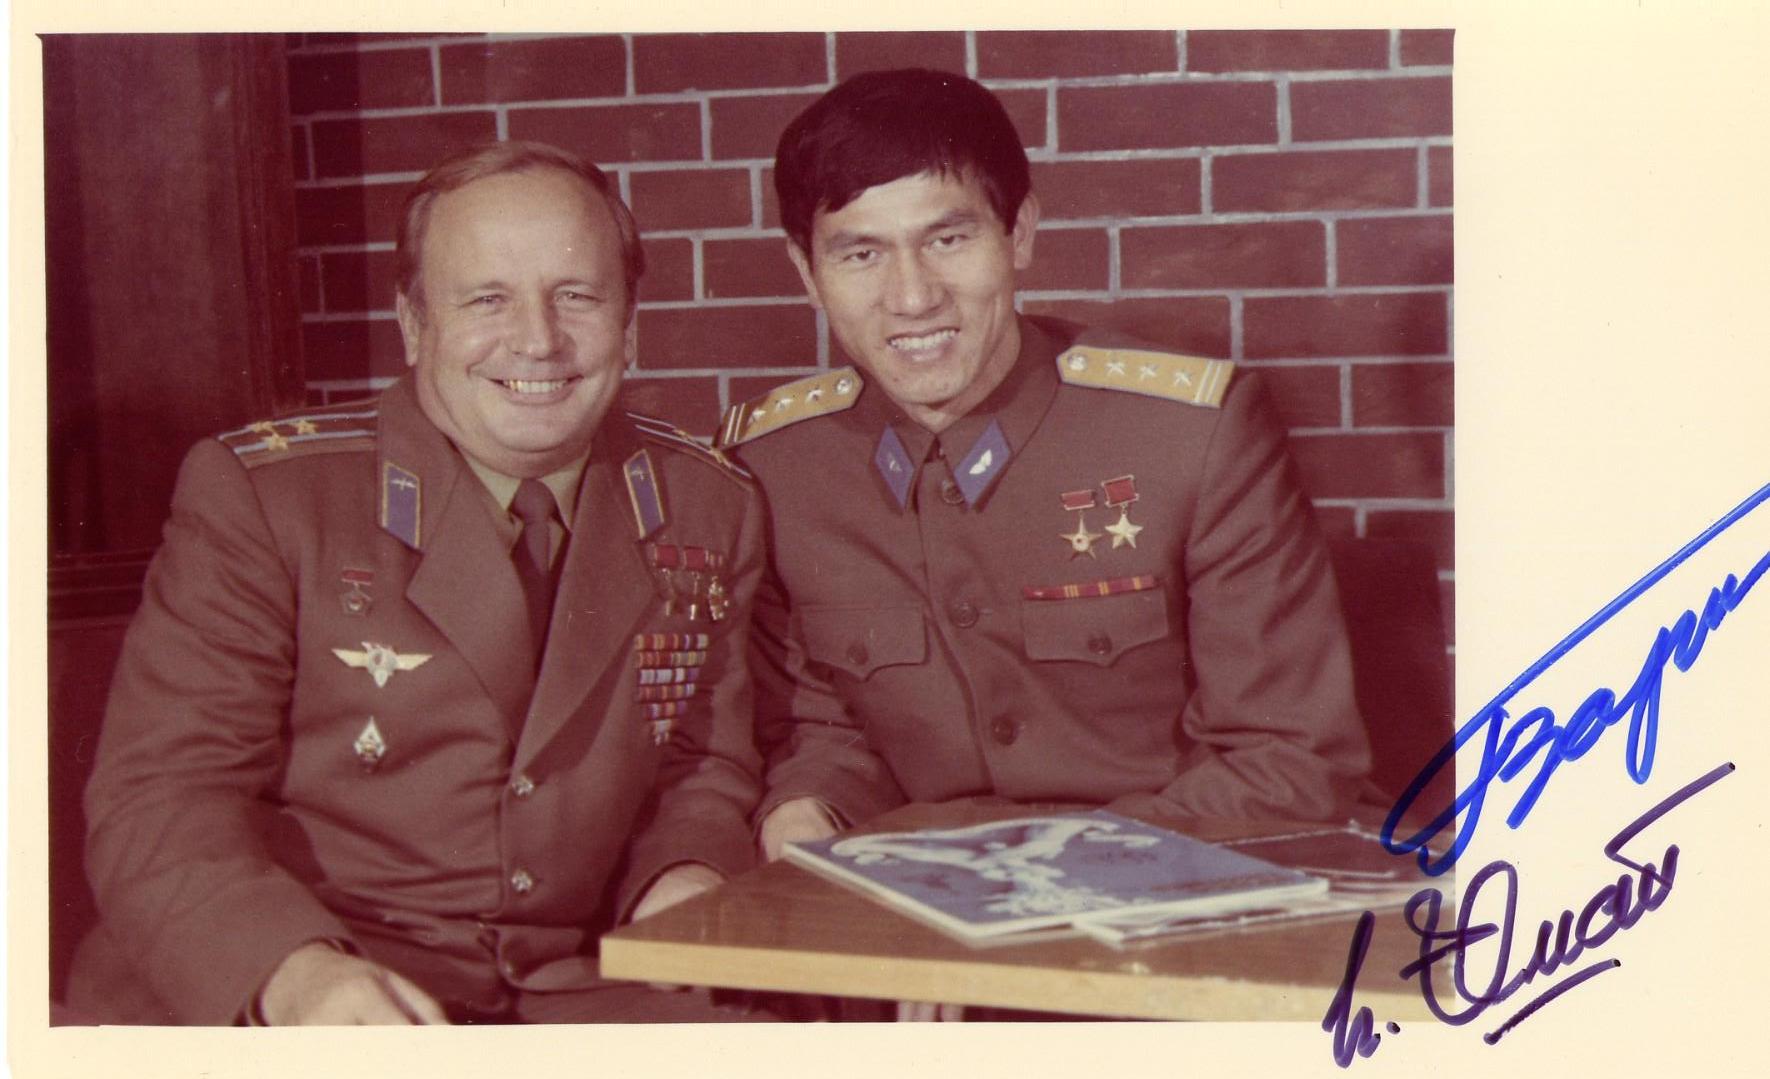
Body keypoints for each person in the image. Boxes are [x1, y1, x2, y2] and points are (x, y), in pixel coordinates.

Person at [70, 141, 767, 1025]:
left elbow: (704, 761)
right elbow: (160, 797)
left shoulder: (708, 503)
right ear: (413, 324)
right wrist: (295, 971)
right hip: (320, 969)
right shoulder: (267, 498)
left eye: (577, 296)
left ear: (631, 323)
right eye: (487, 299)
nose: (538, 340)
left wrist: (684, 876)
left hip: (580, 985)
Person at [720, 69, 1373, 863]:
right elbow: (819, 725)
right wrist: (806, 807)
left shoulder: (1190, 434)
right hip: (914, 921)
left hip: (1173, 896)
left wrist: (1025, 880)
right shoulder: (775, 464)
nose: (913, 296)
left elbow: (1288, 761)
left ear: (1019, 233)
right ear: (806, 272)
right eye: (861, 253)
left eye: (948, 239)